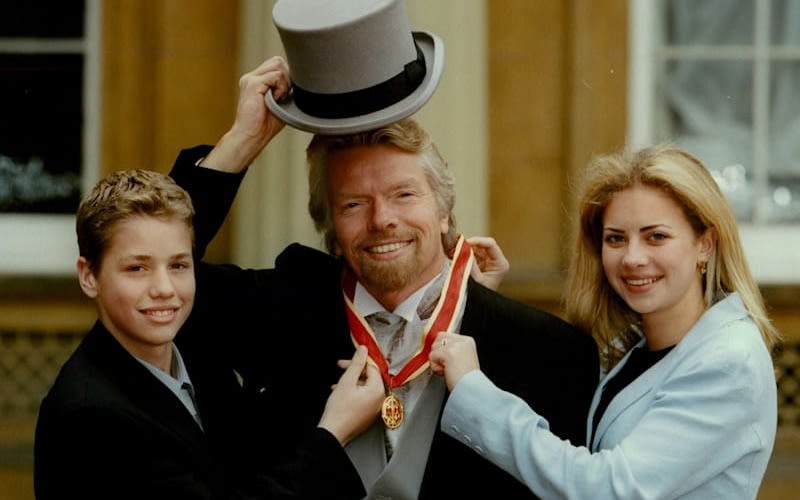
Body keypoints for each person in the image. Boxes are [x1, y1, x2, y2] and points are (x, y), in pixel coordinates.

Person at [166, 47, 599, 498]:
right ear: (330, 229)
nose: (381, 220)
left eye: (404, 195)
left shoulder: (549, 351)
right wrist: (240, 142)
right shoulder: (284, 308)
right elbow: (157, 276)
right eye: (354, 204)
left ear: (444, 211)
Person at [429, 143, 781, 499]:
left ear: (705, 243)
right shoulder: (633, 346)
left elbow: (606, 489)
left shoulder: (729, 361)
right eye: (616, 238)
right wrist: (490, 306)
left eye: (655, 236)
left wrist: (475, 394)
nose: (632, 257)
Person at [34, 169, 386, 500]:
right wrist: (333, 432)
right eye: (137, 268)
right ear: (89, 276)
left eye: (178, 265)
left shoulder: (189, 347)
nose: (164, 288)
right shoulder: (90, 417)